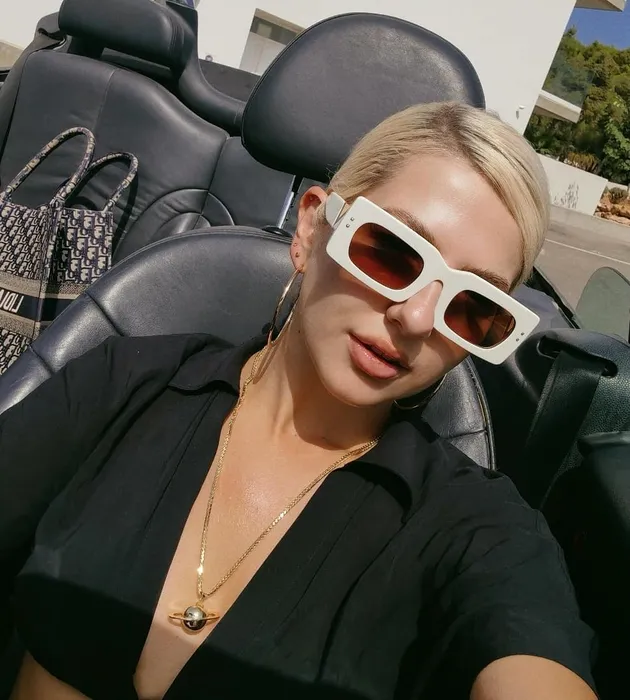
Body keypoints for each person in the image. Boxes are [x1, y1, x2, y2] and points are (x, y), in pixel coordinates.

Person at [1, 102, 597, 700]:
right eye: (391, 251)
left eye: (472, 306)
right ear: (312, 229)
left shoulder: (474, 526)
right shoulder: (127, 383)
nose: (417, 318)